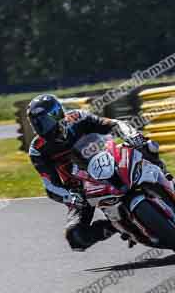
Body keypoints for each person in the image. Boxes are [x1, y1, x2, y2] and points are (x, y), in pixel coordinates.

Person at [27, 93, 169, 251]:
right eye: (36, 124)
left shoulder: (78, 117)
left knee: (147, 147)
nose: (42, 127)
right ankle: (115, 226)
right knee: (76, 238)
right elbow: (50, 185)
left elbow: (114, 124)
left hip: (109, 160)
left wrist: (132, 135)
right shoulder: (37, 150)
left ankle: (167, 178)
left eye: (44, 121)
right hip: (80, 190)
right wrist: (71, 197)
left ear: (57, 114)